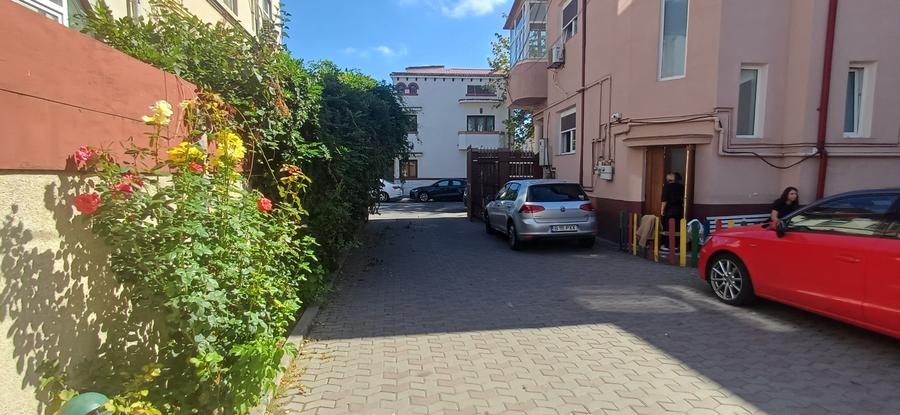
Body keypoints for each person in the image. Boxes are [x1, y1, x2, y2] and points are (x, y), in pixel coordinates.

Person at [660, 172, 685, 248]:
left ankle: (668, 245)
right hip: (679, 210)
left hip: (670, 210)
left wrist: (662, 210)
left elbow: (664, 200)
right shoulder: (681, 186)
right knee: (677, 227)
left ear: (668, 179)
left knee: (669, 228)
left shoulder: (667, 187)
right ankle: (676, 245)